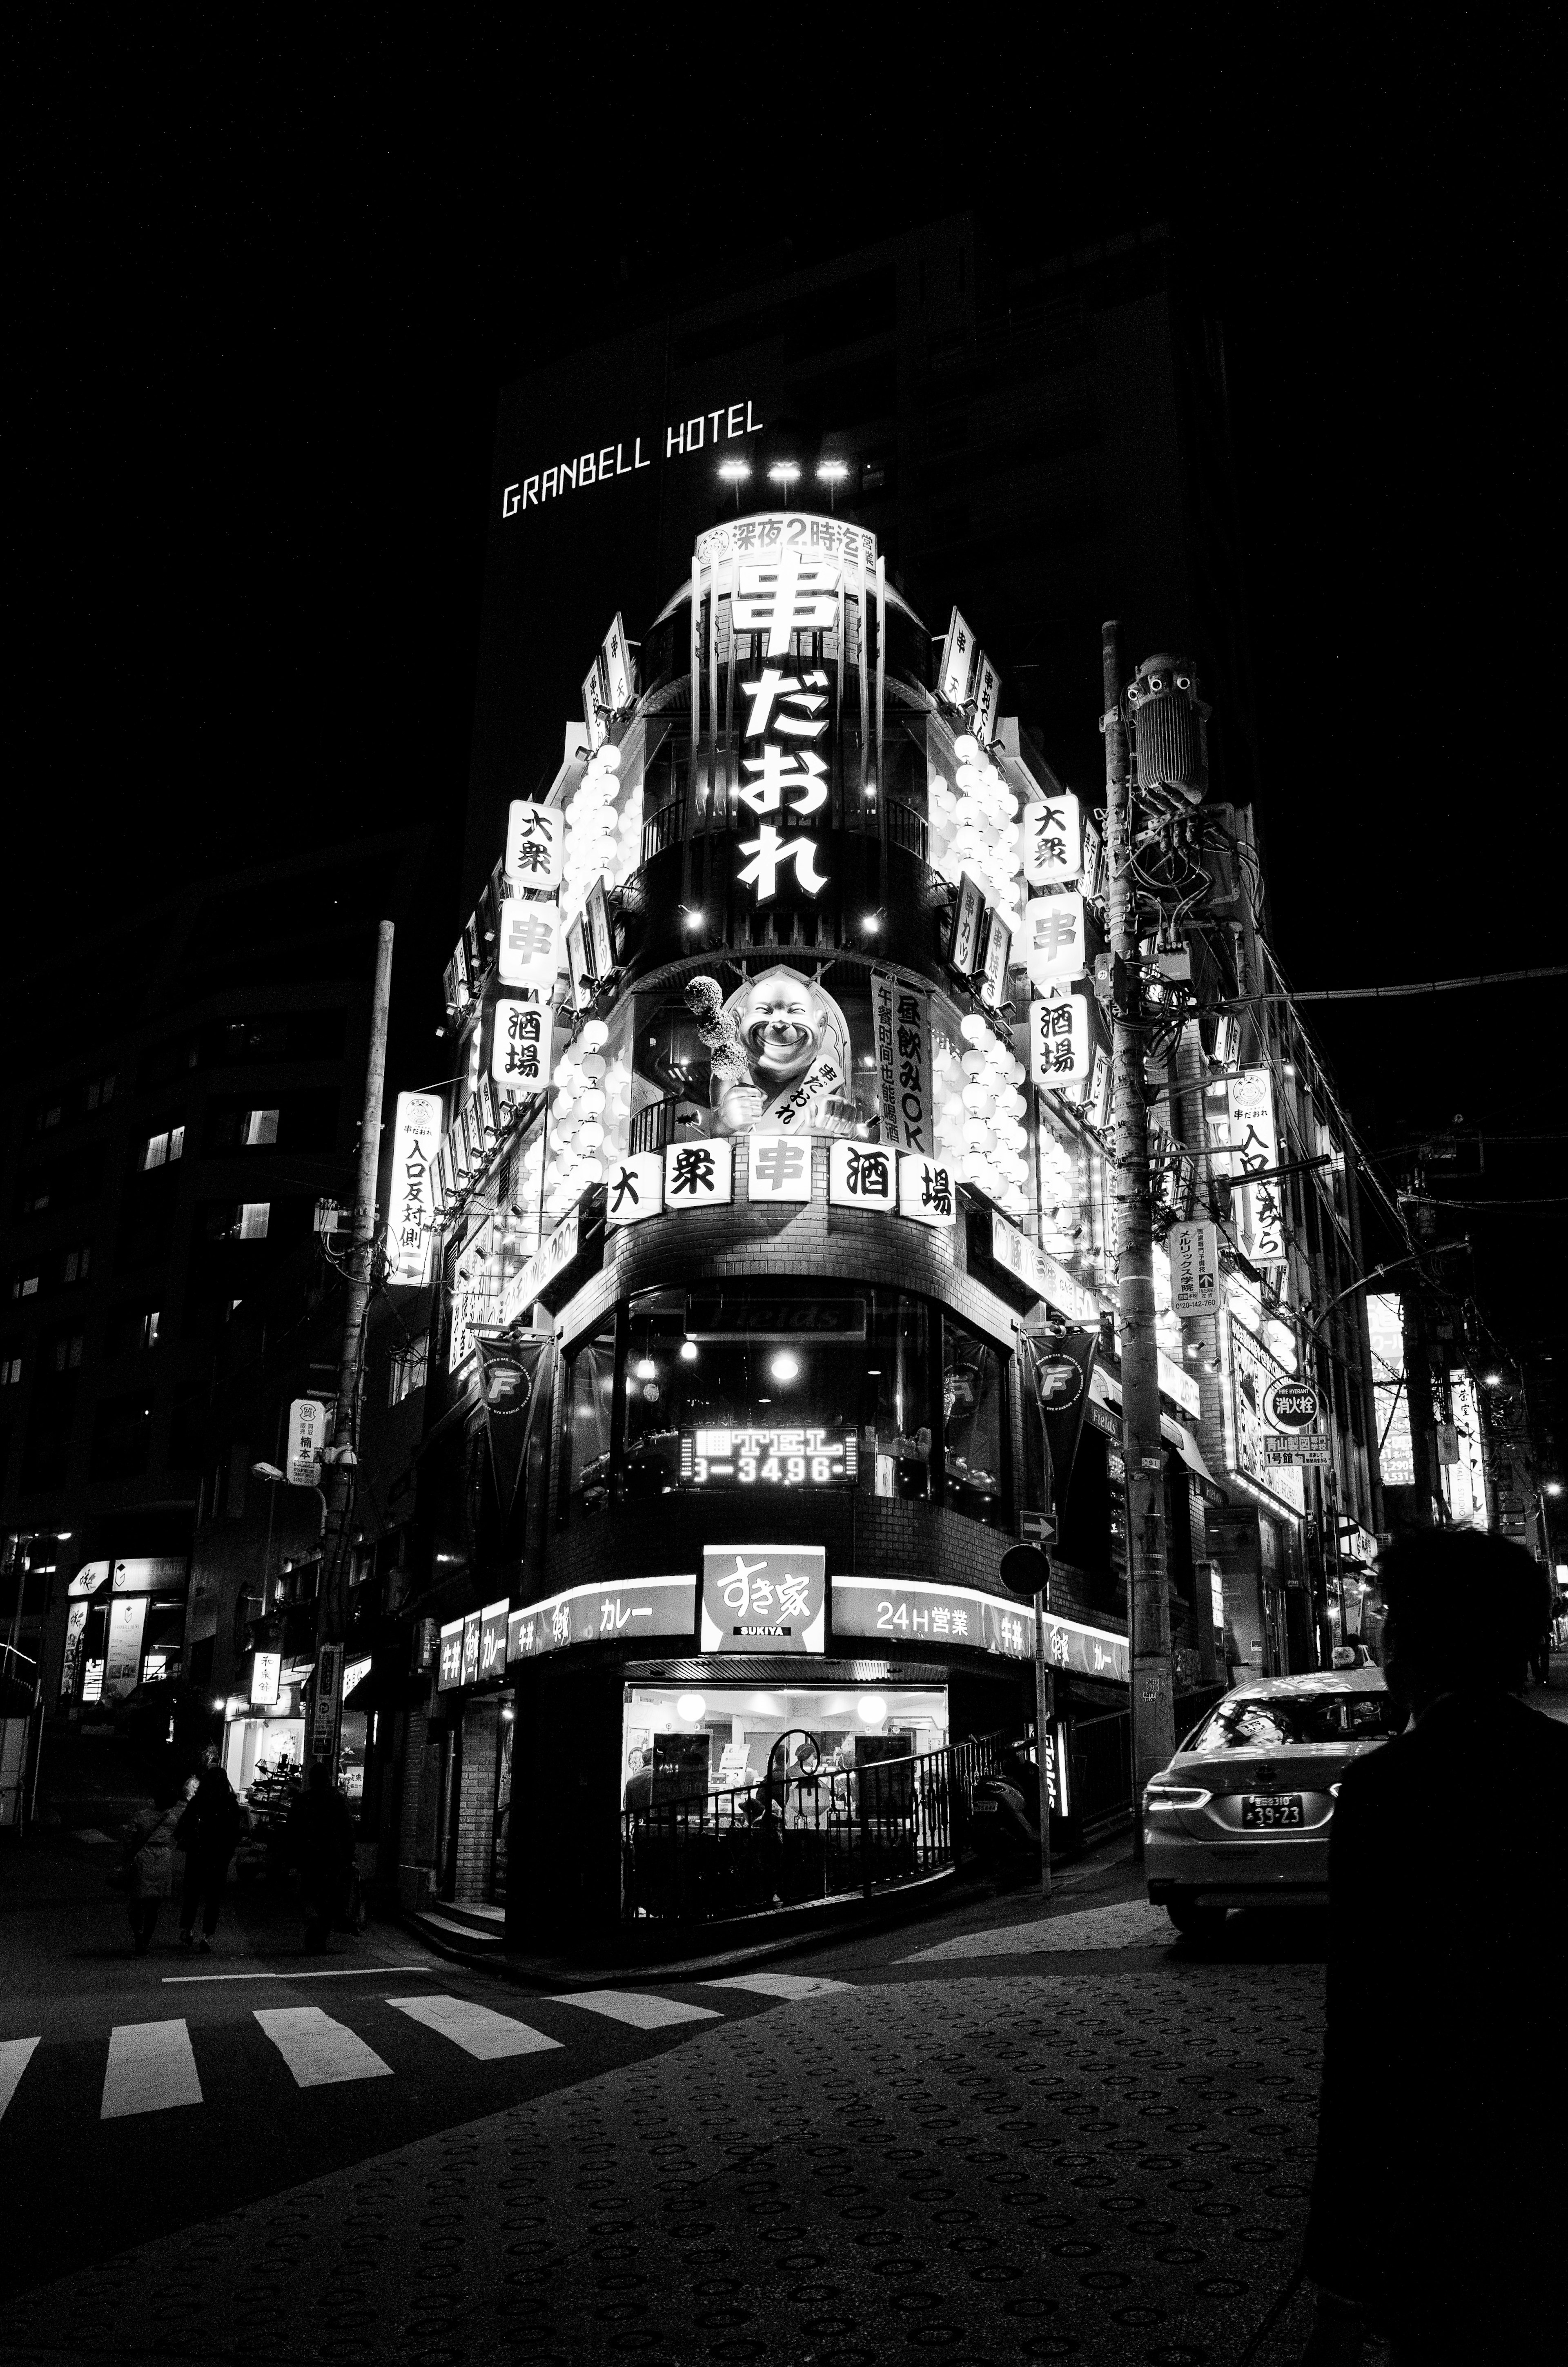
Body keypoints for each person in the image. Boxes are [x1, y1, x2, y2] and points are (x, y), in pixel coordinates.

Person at [1299, 1530, 1568, 2365]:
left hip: (1452, 2191)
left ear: (1415, 1638)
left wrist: (1343, 2266)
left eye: (1390, 1615)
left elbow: (1370, 2038)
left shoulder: (1391, 1790)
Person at [176, 1748, 244, 1952]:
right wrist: (228, 1853)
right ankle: (207, 1936)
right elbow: (236, 1832)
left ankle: (187, 1930)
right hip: (219, 1857)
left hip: (198, 1853)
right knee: (214, 1897)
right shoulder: (230, 1803)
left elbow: (183, 1825)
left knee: (192, 1894)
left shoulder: (199, 1800)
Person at [285, 1759, 357, 1953]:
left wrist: (291, 1856)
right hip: (333, 1857)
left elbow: (292, 1830)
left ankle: (314, 1926)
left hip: (309, 1856)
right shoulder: (338, 1799)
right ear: (328, 1779)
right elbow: (347, 1830)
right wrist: (350, 1856)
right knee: (330, 1897)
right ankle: (320, 1935)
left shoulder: (302, 1800)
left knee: (309, 1893)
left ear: (310, 1780)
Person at [124, 1775, 198, 1953]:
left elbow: (129, 1840)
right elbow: (183, 1834)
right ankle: (146, 1940)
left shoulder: (141, 1816)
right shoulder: (176, 1817)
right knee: (154, 1905)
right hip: (163, 1859)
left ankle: (139, 1937)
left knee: (137, 1902)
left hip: (142, 1858)